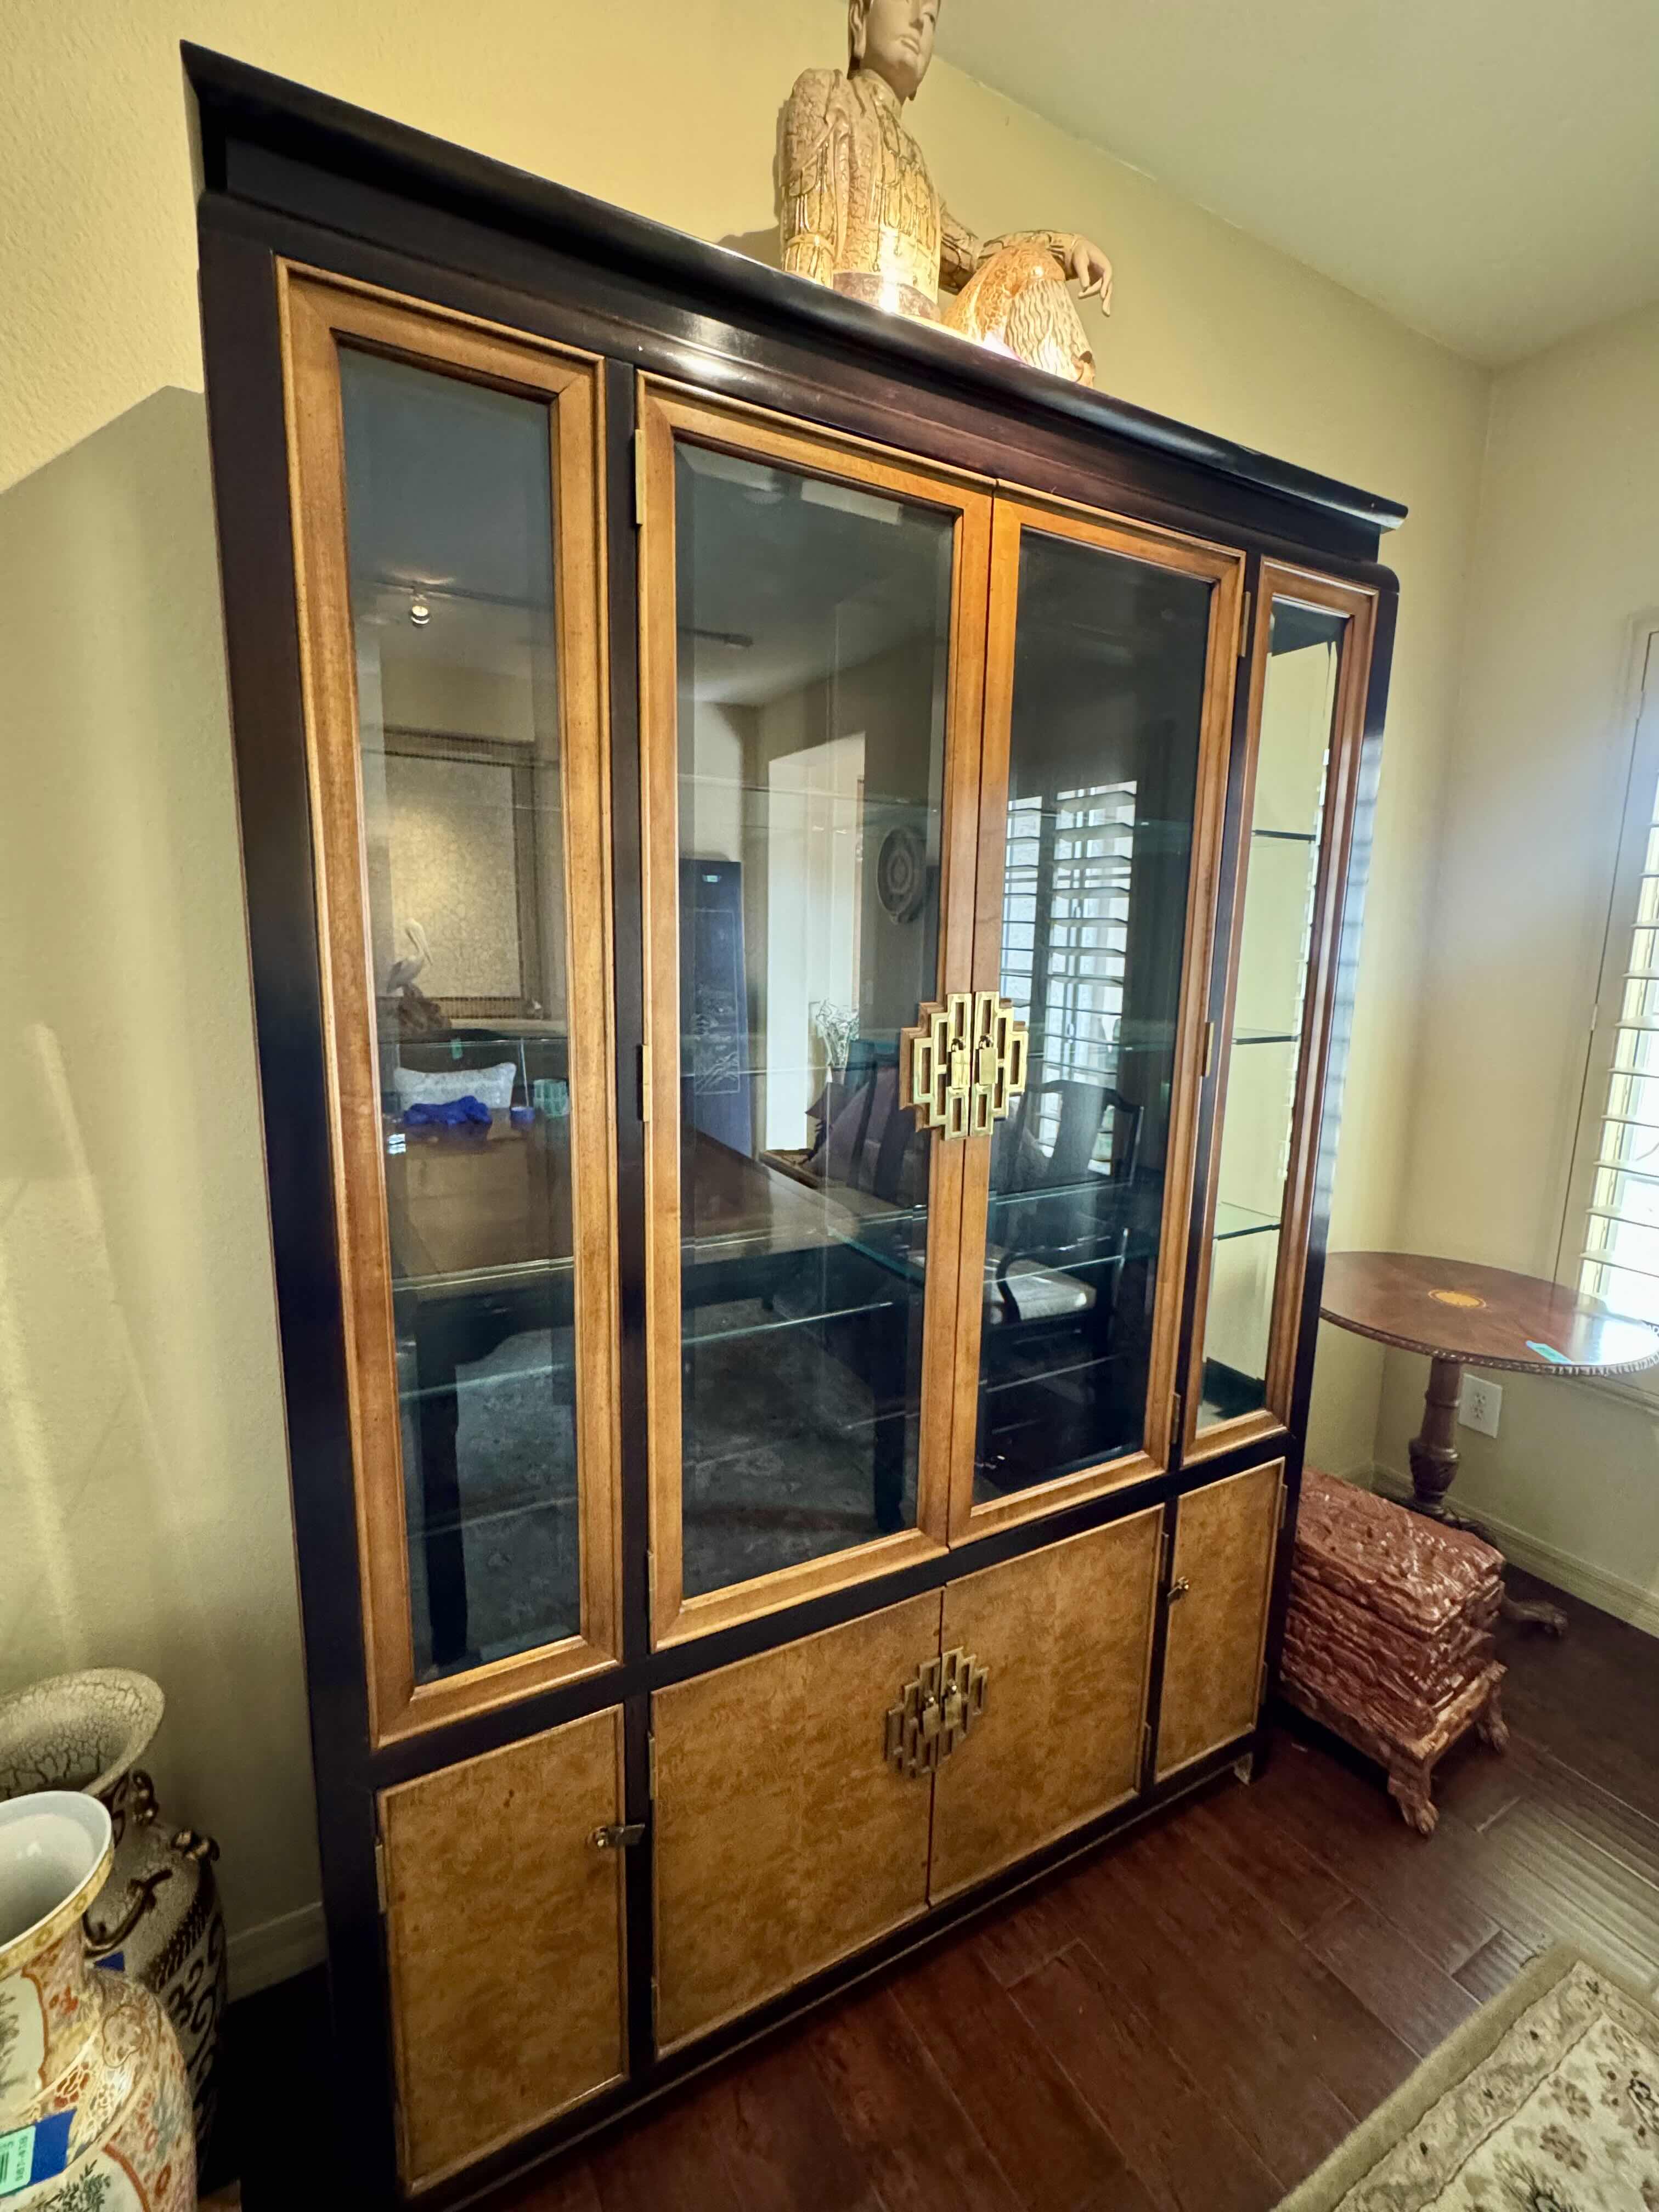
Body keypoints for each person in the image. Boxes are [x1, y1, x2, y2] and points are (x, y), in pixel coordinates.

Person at [780, 0, 1113, 385]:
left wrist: (1067, 248)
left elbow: (975, 257)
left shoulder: (916, 162)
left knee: (1032, 265)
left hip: (930, 347)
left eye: (932, 17)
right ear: (860, 15)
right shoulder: (828, 93)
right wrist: (807, 354)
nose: (919, 21)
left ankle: (1062, 411)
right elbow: (810, 236)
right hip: (856, 335)